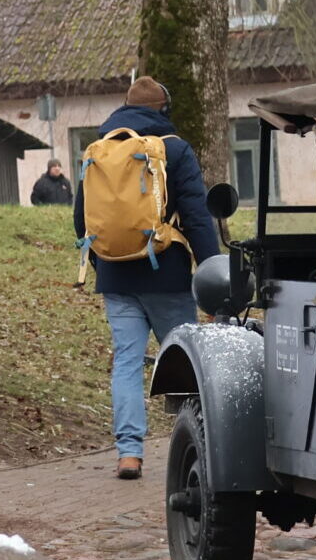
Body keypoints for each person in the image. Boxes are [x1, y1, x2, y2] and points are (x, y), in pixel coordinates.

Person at [75, 76, 219, 480]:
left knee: (126, 362)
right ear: (164, 109)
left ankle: (129, 454)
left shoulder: (99, 149)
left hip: (116, 277)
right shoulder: (174, 150)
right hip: (168, 275)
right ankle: (197, 447)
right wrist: (214, 275)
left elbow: (81, 219)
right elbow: (196, 216)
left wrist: (107, 263)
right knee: (189, 363)